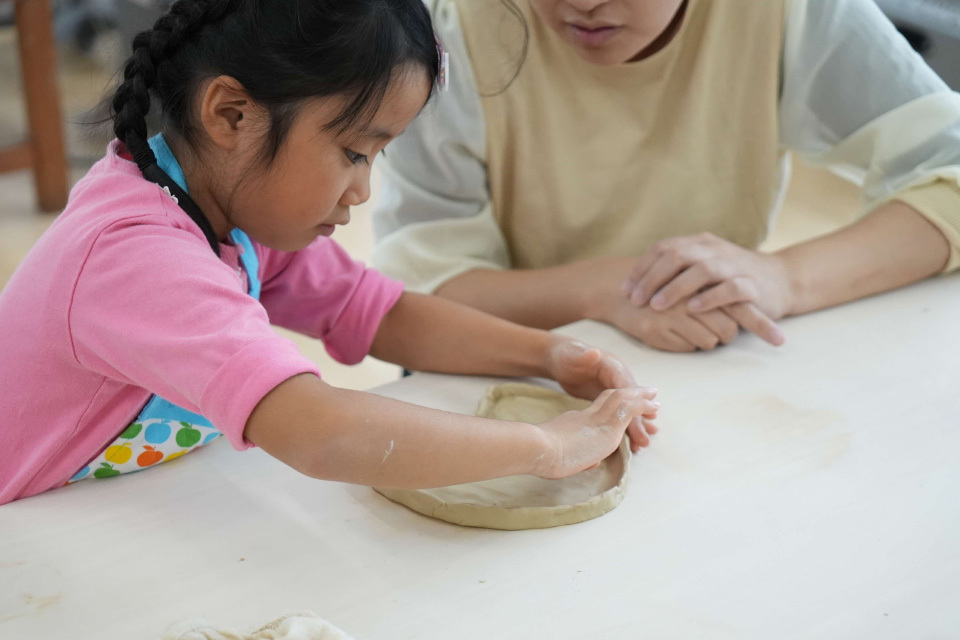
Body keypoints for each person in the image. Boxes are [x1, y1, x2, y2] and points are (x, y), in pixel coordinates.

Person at [0, 0, 660, 505]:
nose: (362, 193)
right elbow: (320, 431)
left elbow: (373, 310)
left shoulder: (230, 206)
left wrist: (549, 355)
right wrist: (544, 446)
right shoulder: (135, 258)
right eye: (352, 153)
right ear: (231, 115)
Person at [372, 0, 960, 353]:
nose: (585, 3)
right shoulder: (449, 28)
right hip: (511, 360)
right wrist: (607, 290)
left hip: (710, 353)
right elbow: (413, 297)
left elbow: (950, 167)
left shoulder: (783, 10)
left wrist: (785, 277)